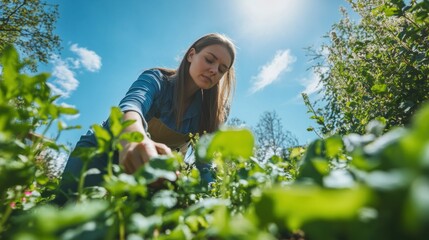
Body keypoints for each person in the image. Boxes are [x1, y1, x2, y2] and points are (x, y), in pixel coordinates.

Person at [58, 33, 236, 202]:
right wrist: (134, 141)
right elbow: (131, 106)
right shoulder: (156, 79)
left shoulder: (212, 114)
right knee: (64, 203)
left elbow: (204, 164)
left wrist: (211, 199)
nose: (214, 70)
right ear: (191, 55)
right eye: (209, 60)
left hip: (151, 171)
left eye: (221, 69)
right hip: (99, 152)